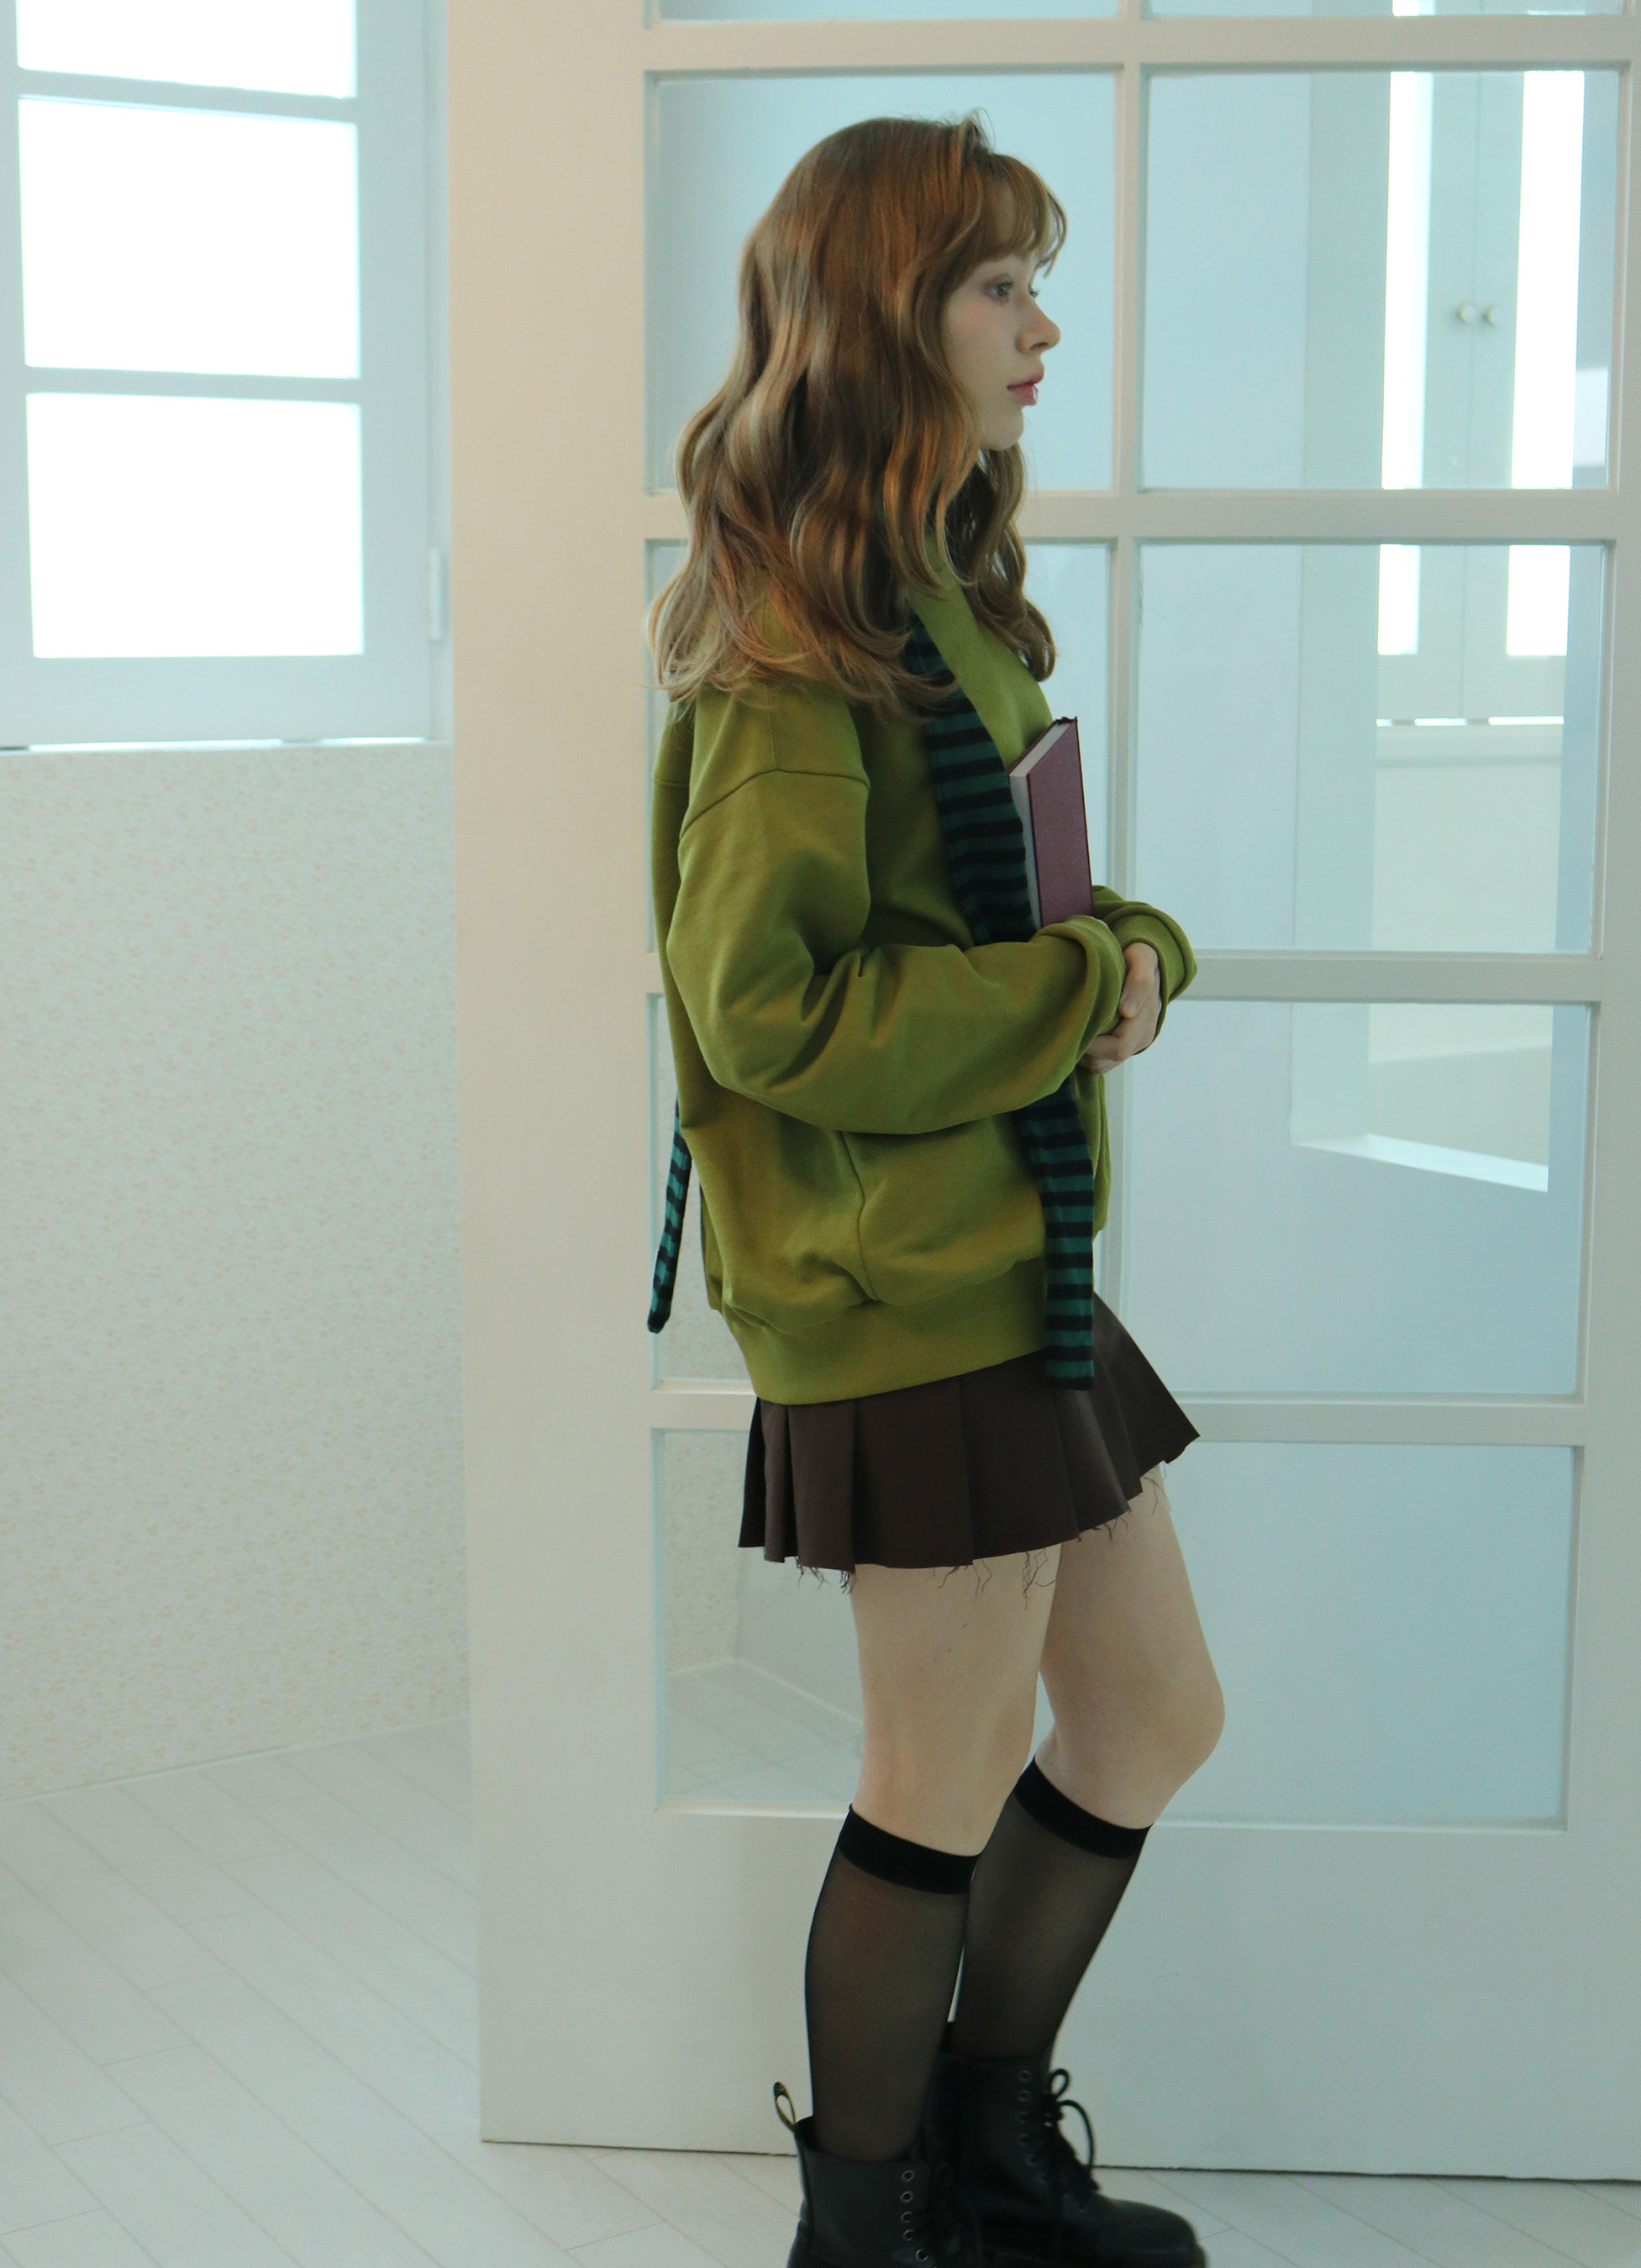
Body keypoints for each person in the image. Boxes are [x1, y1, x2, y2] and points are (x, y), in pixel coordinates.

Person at [647, 113, 1225, 2268]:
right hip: (912, 1290)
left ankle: (980, 2176)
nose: (1041, 325)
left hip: (1009, 1258)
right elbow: (764, 1012)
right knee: (942, 1765)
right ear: (892, 319)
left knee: (1151, 1716)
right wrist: (1071, 987)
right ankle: (864, 2235)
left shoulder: (936, 611)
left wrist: (1127, 949)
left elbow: (1014, 907)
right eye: (1001, 285)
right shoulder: (793, 653)